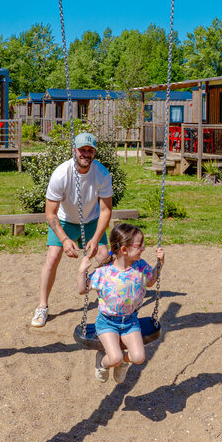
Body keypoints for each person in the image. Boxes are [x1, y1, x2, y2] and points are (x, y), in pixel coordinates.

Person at [30, 132, 113, 328]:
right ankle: (42, 306)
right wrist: (65, 239)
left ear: (94, 152)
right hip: (65, 220)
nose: (86, 153)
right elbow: (50, 214)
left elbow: (106, 210)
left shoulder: (102, 174)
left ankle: (107, 298)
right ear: (74, 150)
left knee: (103, 255)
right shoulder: (61, 174)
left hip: (91, 219)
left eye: (90, 150)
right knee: (53, 257)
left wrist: (96, 237)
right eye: (82, 150)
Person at [77, 223, 165, 383]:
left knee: (138, 357)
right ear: (124, 250)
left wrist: (160, 264)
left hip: (130, 322)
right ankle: (103, 363)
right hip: (107, 323)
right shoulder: (104, 273)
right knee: (114, 357)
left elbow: (151, 282)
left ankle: (123, 362)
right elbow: (82, 290)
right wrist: (82, 271)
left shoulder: (141, 267)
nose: (143, 249)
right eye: (139, 246)